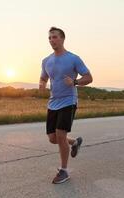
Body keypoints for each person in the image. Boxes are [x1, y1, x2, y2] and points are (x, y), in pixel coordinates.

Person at [39, 27, 93, 184]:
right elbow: (43, 77)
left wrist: (75, 82)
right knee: (52, 138)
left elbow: (89, 77)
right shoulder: (46, 61)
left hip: (69, 100)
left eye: (54, 37)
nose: (51, 40)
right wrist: (42, 84)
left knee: (60, 135)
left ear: (62, 39)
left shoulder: (73, 58)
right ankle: (74, 142)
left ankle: (64, 171)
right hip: (53, 102)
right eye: (49, 38)